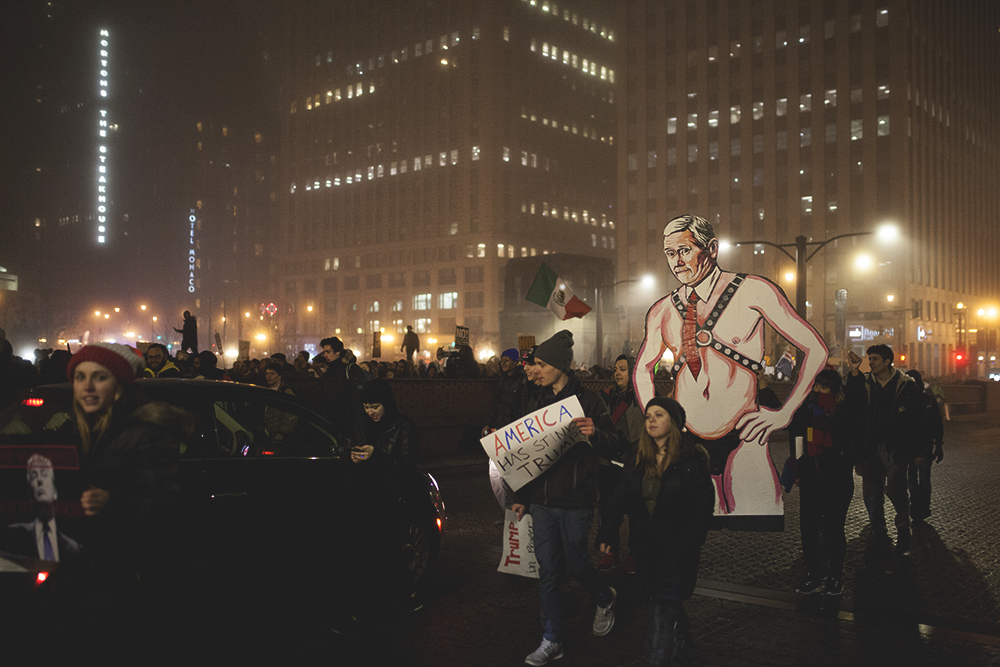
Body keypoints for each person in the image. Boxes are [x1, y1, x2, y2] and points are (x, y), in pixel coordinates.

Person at [635, 214, 828, 521]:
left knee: (754, 520)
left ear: (711, 248)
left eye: (684, 250)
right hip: (688, 440)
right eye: (670, 253)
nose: (677, 261)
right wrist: (657, 421)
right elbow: (642, 369)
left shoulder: (753, 291)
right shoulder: (662, 310)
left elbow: (815, 348)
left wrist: (784, 412)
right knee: (693, 530)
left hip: (745, 436)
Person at [510, 330, 625, 666]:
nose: (536, 370)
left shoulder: (590, 401)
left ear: (560, 365)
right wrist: (520, 494)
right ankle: (552, 638)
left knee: (576, 564)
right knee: (547, 571)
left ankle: (604, 598)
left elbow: (615, 444)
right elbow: (526, 453)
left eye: (542, 364)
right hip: (542, 502)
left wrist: (595, 434)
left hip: (576, 500)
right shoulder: (537, 401)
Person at [597, 397, 714, 666]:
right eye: (648, 415)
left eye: (659, 415)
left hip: (676, 551)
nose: (651, 420)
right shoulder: (637, 457)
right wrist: (608, 531)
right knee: (662, 599)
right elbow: (619, 497)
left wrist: (687, 544)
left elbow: (701, 510)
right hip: (645, 548)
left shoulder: (692, 461)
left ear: (674, 422)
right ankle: (684, 637)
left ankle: (655, 660)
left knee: (661, 611)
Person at [846, 345, 923, 556]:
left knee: (897, 491)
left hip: (895, 449)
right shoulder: (865, 382)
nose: (871, 362)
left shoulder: (906, 385)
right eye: (869, 358)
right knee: (872, 495)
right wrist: (854, 371)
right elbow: (852, 405)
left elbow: (918, 419)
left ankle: (903, 529)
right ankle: (879, 532)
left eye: (875, 359)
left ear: (887, 361)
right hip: (870, 448)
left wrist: (919, 449)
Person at [786, 368, 856, 597]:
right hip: (811, 481)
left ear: (835, 391)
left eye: (824, 387)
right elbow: (792, 431)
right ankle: (813, 575)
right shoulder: (806, 411)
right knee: (808, 530)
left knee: (835, 530)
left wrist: (855, 374)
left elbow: (857, 408)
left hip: (837, 482)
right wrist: (798, 469)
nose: (818, 391)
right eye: (816, 386)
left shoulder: (843, 412)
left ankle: (835, 577)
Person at [596, 354, 644, 573]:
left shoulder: (642, 397)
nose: (617, 373)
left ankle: (635, 554)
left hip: (635, 464)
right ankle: (611, 553)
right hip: (609, 464)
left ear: (632, 372)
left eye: (623, 369)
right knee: (608, 511)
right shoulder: (605, 397)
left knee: (636, 513)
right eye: (616, 369)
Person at [1, 453, 81, 562]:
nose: (39, 480)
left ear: (55, 492)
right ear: (30, 495)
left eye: (44, 474)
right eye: (34, 476)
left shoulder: (73, 548)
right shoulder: (13, 535)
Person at [905, 369, 944, 524]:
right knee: (920, 478)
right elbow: (937, 425)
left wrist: (938, 444)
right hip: (921, 445)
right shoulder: (928, 400)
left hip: (918, 446)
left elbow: (936, 424)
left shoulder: (915, 401)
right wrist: (938, 445)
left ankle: (917, 506)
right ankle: (921, 507)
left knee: (915, 478)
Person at [351, 378, 418, 466]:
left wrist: (376, 455)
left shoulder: (403, 425)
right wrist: (354, 458)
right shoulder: (362, 423)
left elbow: (407, 463)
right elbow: (356, 449)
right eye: (366, 407)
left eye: (375, 407)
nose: (370, 412)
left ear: (386, 404)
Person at [320, 336, 366, 441]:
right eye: (324, 352)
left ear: (338, 352)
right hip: (331, 421)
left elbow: (357, 396)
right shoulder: (329, 372)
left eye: (328, 352)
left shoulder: (350, 369)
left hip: (346, 423)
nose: (325, 355)